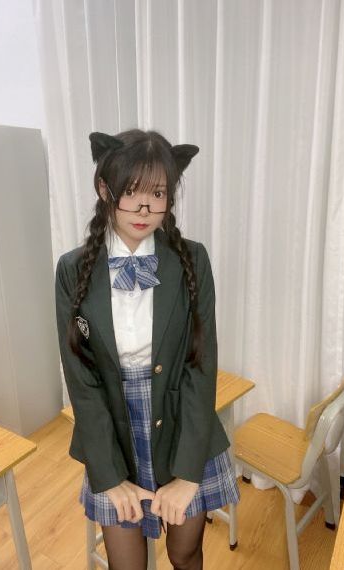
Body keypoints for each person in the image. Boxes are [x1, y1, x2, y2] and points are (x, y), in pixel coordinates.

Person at [55, 129, 239, 570]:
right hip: (112, 435)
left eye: (157, 193)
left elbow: (201, 365)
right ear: (105, 189)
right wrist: (108, 473)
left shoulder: (193, 258)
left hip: (182, 426)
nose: (144, 208)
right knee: (126, 564)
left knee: (185, 553)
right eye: (131, 190)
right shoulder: (72, 269)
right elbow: (81, 380)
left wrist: (188, 473)